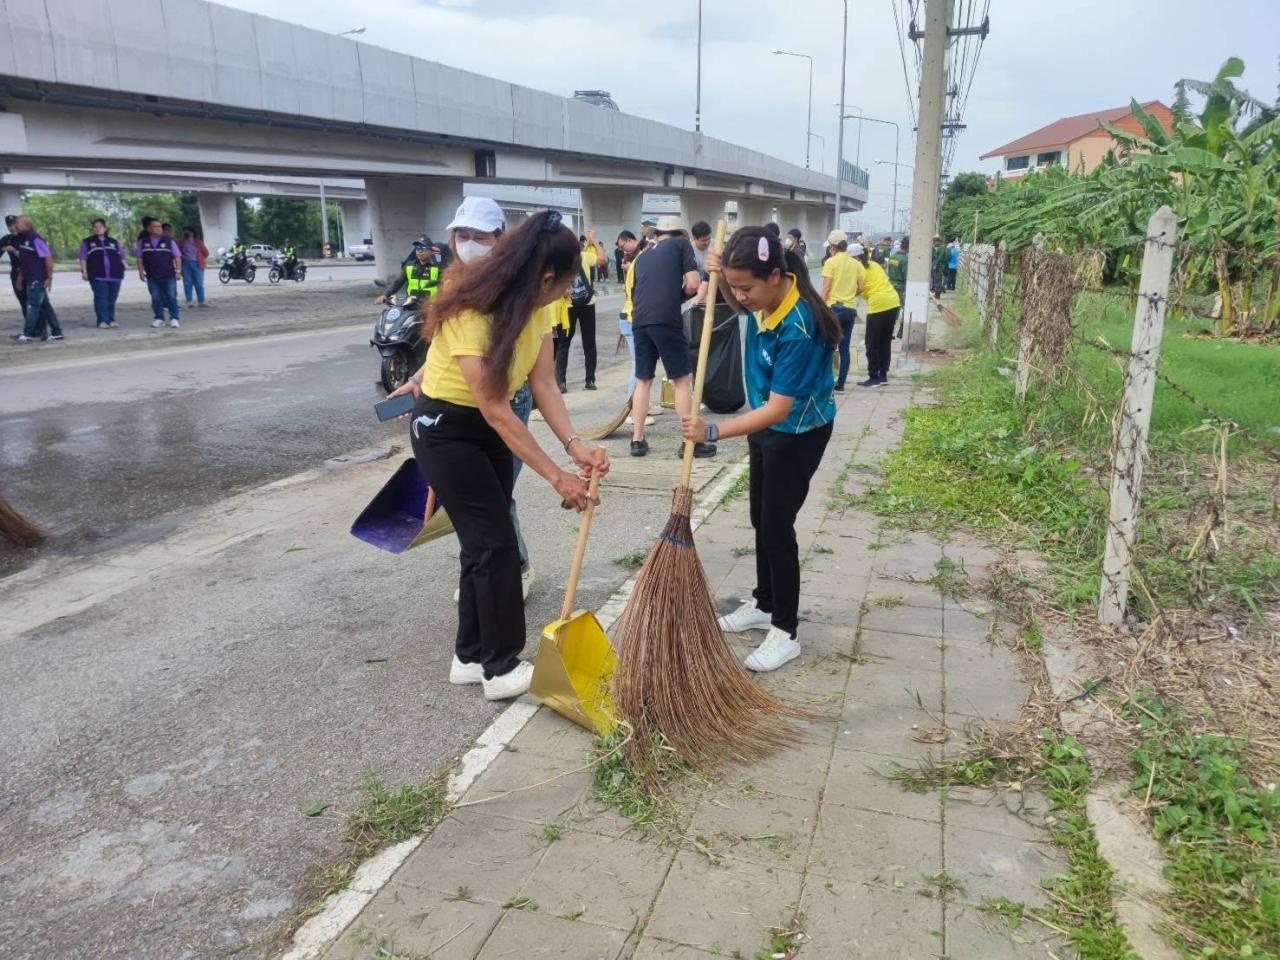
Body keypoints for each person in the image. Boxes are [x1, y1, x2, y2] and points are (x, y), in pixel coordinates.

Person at [385, 209, 609, 701]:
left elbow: (543, 381)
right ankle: (501, 667)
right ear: (546, 277)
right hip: (444, 429)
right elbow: (495, 407)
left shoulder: (540, 302)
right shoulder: (472, 309)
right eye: (566, 284)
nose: (566, 294)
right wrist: (557, 478)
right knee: (497, 544)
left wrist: (576, 446)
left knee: (480, 545)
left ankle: (469, 657)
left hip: (485, 430)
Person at [681, 226, 838, 672]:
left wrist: (712, 432)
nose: (739, 296)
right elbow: (743, 308)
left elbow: (778, 410)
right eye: (733, 286)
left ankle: (785, 631)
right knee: (759, 519)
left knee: (776, 526)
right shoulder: (768, 301)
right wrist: (723, 283)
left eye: (746, 287)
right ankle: (765, 602)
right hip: (767, 426)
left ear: (775, 276)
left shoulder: (799, 323)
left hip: (797, 432)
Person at [628, 215, 712, 459]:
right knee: (681, 380)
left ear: (658, 234)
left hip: (640, 320)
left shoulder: (642, 257)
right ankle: (689, 442)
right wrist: (680, 295)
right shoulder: (681, 245)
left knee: (643, 379)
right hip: (666, 319)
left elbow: (637, 291)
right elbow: (694, 284)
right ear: (679, 233)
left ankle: (637, 440)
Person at [554, 229, 603, 392]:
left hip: (568, 306)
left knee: (563, 343)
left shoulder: (559, 260)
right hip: (588, 303)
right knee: (589, 343)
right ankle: (590, 380)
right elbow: (602, 260)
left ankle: (561, 382)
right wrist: (594, 240)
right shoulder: (584, 257)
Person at [820, 230, 864, 392]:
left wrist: (819, 308)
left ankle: (826, 382)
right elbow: (861, 288)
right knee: (845, 347)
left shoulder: (831, 263)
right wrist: (850, 295)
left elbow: (825, 289)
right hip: (850, 309)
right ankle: (841, 385)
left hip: (833, 309)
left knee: (828, 346)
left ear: (832, 247)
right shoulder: (856, 264)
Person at [9, 215, 63, 342]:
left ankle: (28, 333)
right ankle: (57, 332)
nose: (15, 225)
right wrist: (20, 278)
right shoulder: (23, 239)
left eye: (18, 223)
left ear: (27, 225)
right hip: (29, 278)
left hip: (37, 279)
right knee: (45, 306)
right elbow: (24, 261)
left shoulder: (36, 239)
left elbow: (48, 259)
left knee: (33, 305)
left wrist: (49, 278)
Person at [853, 243, 901, 387]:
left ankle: (873, 376)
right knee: (885, 341)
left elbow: (858, 289)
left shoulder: (857, 268)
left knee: (871, 342)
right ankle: (883, 375)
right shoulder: (874, 264)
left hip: (878, 305)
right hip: (893, 302)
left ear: (854, 257)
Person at [79, 218, 128, 328]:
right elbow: (83, 258)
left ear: (105, 228)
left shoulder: (113, 242)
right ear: (92, 229)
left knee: (112, 298)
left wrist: (124, 265)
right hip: (97, 275)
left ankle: (110, 319)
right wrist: (84, 271)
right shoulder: (87, 242)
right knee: (101, 298)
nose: (98, 229)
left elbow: (122, 256)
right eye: (95, 227)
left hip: (115, 274)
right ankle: (102, 320)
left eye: (100, 226)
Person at [137, 219, 182, 329]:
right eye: (155, 226)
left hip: (169, 274)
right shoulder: (143, 242)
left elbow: (177, 256)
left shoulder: (169, 241)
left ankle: (174, 318)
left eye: (159, 226)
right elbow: (139, 258)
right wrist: (140, 272)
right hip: (152, 275)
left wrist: (178, 271)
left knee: (171, 297)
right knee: (156, 297)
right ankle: (159, 318)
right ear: (149, 229)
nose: (158, 228)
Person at [374, 239, 440, 305]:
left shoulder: (439, 268)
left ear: (431, 251)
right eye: (417, 248)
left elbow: (446, 288)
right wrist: (385, 295)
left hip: (431, 307)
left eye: (423, 248)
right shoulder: (409, 266)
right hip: (411, 305)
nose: (420, 251)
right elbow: (398, 282)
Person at [2, 214, 26, 316]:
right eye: (9, 226)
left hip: (28, 272)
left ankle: (40, 328)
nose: (12, 228)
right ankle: (29, 328)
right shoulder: (7, 239)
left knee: (34, 302)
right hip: (15, 273)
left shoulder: (26, 237)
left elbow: (31, 257)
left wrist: (15, 250)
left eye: (13, 225)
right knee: (23, 301)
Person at [180, 227, 209, 307]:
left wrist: (201, 258)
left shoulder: (198, 242)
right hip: (186, 264)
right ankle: (189, 301)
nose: (186, 233)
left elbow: (206, 253)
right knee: (187, 283)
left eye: (188, 231)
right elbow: (179, 254)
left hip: (197, 263)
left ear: (192, 233)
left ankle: (201, 301)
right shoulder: (182, 243)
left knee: (199, 283)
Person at [886, 235, 909, 306]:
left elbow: (888, 269)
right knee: (900, 304)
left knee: (891, 304)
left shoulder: (892, 257)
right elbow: (906, 275)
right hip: (900, 285)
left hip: (891, 283)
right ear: (908, 248)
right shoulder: (905, 259)